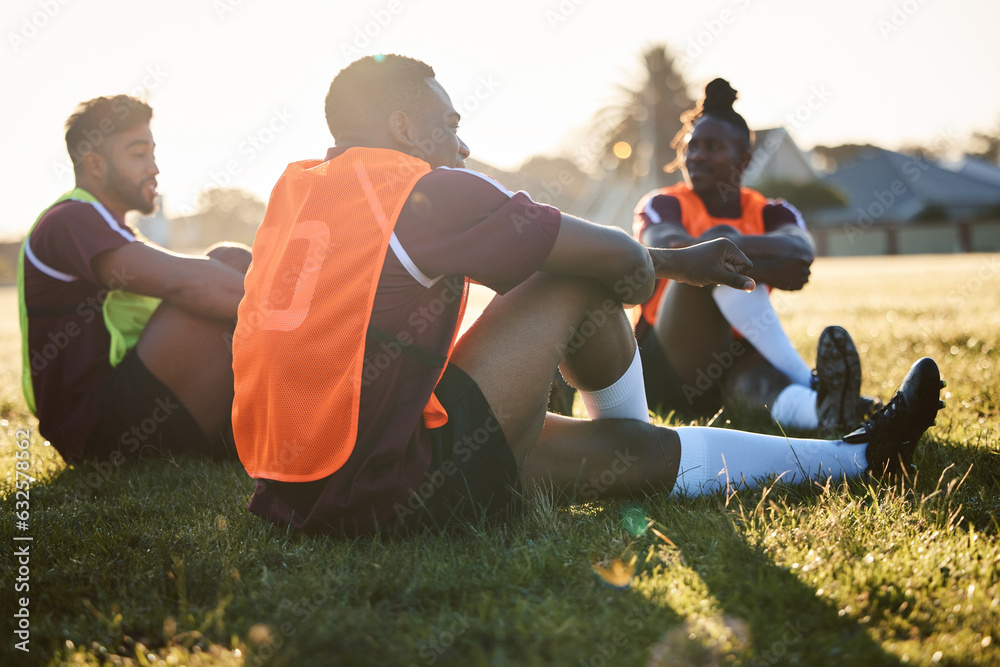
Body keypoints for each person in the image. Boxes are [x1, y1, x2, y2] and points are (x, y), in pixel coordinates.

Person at [231, 55, 944, 536]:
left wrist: (659, 261)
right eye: (451, 124)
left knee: (607, 450)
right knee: (576, 277)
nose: (464, 143)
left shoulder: (298, 194)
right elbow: (605, 257)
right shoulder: (423, 187)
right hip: (392, 480)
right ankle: (633, 437)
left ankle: (861, 457)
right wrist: (667, 265)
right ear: (403, 128)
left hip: (302, 491)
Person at [634, 78, 877, 433]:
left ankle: (825, 410)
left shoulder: (772, 211)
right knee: (714, 249)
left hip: (736, 354)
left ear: (743, 159)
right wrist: (758, 263)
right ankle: (806, 378)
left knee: (758, 386)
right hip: (665, 365)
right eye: (692, 145)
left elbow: (800, 251)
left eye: (712, 146)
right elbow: (671, 250)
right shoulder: (664, 203)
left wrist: (736, 251)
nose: (697, 155)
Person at [18, 95, 250, 465]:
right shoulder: (70, 220)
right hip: (100, 430)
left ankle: (262, 423)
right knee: (221, 275)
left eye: (153, 154)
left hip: (127, 402)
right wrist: (307, 311)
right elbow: (185, 284)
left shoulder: (113, 229)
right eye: (138, 155)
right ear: (94, 164)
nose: (154, 168)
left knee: (231, 261)